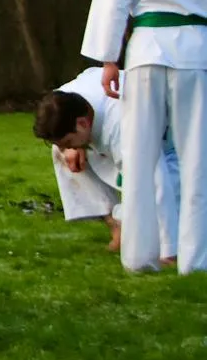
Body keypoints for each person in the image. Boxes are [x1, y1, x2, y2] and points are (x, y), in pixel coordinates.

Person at [81, 0, 207, 274]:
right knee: (197, 157)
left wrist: (108, 59)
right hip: (197, 52)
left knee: (139, 154)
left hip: (147, 49)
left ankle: (139, 255)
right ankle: (194, 259)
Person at [33, 69, 180, 258]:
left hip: (169, 146)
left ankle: (162, 240)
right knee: (61, 154)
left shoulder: (122, 124)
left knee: (158, 204)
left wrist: (168, 249)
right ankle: (115, 226)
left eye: (68, 141)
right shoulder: (64, 101)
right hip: (114, 136)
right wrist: (67, 148)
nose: (65, 146)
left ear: (82, 123)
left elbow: (151, 181)